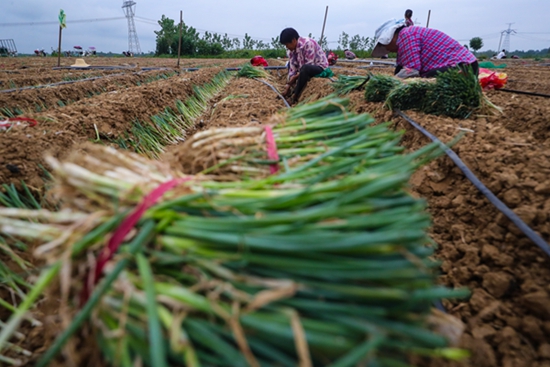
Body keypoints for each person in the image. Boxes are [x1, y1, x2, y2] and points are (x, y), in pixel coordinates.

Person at [372, 19, 479, 78]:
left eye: (385, 45)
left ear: (392, 37)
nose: (387, 49)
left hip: (463, 66)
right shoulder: (405, 37)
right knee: (405, 73)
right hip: (465, 65)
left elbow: (412, 71)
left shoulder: (406, 35)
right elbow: (400, 69)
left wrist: (391, 82)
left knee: (425, 79)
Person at [279, 27, 329, 104]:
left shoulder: (308, 44)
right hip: (303, 69)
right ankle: (292, 91)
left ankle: (295, 96)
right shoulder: (291, 51)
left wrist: (295, 77)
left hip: (319, 67)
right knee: (290, 65)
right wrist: (288, 85)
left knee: (305, 68)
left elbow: (309, 65)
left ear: (294, 40)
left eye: (287, 44)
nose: (287, 47)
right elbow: (293, 69)